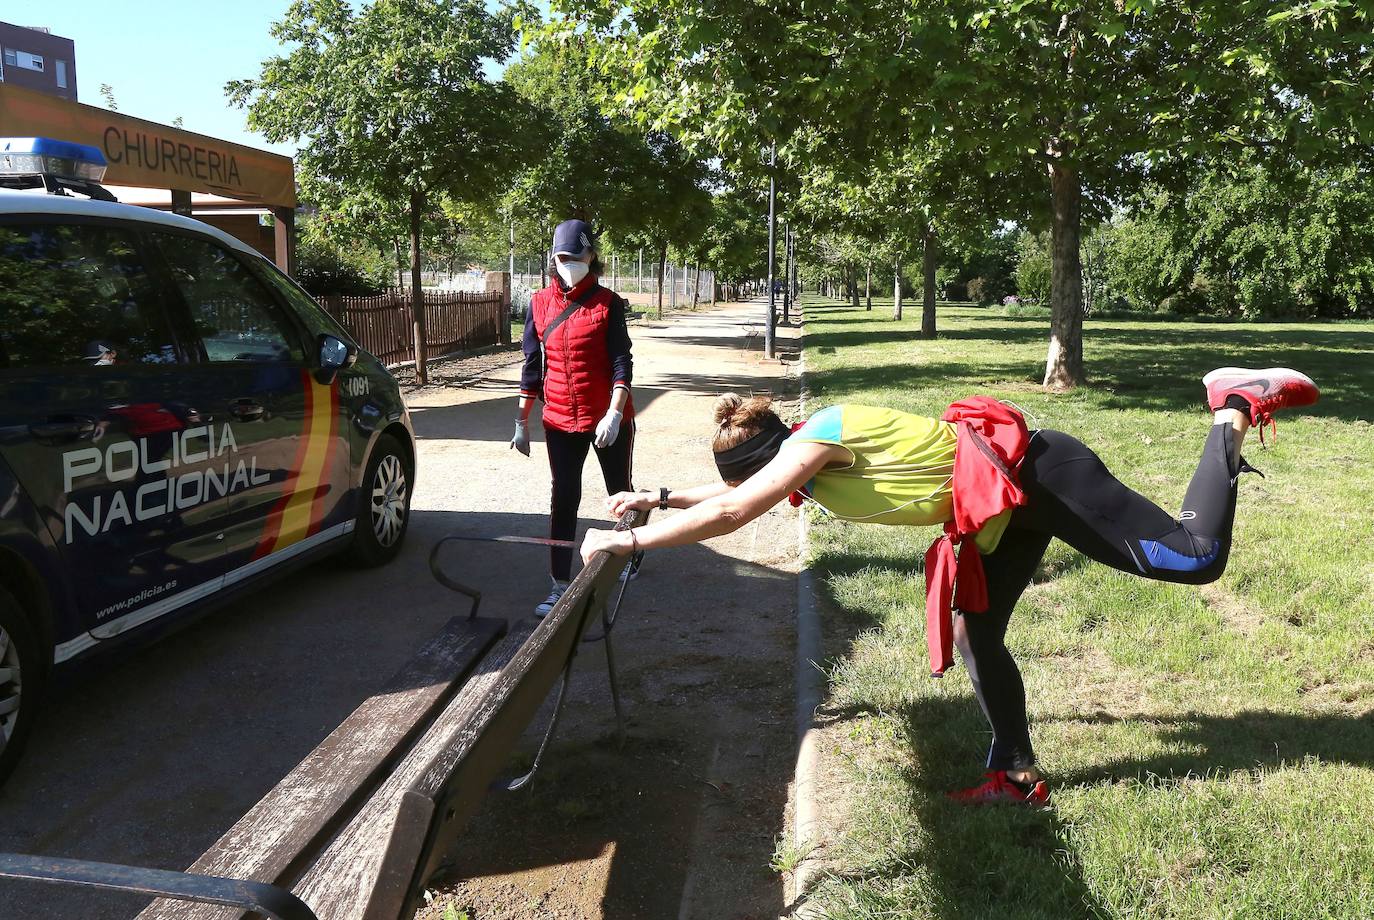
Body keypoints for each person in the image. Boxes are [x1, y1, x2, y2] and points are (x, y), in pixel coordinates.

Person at [582, 367, 1320, 806]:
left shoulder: (818, 439)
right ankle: (1015, 773)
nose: (783, 493)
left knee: (1192, 558)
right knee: (976, 631)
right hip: (1004, 513)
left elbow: (738, 509)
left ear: (776, 461)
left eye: (776, 482)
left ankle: (1229, 407)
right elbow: (727, 501)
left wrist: (631, 540)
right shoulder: (806, 450)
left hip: (1042, 474)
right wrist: (659, 497)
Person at [512, 219, 640, 616]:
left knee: (619, 491)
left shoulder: (608, 304)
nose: (569, 263)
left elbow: (622, 363)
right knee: (563, 496)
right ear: (553, 259)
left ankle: (630, 551)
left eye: (577, 256)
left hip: (607, 417)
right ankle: (559, 584)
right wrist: (522, 421)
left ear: (592, 257)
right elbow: (532, 366)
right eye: (562, 257)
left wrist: (615, 413)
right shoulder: (539, 304)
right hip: (560, 419)